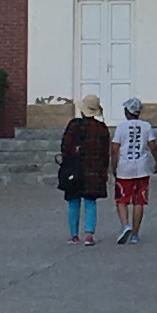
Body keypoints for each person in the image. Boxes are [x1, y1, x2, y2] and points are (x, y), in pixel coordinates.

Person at [56, 97, 111, 243]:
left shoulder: (74, 125)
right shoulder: (102, 128)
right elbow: (106, 153)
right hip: (94, 170)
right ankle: (89, 235)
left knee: (73, 202)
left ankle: (74, 235)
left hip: (75, 169)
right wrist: (104, 172)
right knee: (90, 202)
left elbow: (65, 146)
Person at [112, 97, 157, 241]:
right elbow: (152, 146)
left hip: (124, 168)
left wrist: (113, 166)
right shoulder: (146, 126)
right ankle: (135, 234)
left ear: (127, 112)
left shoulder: (121, 127)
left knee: (122, 199)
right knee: (139, 201)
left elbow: (115, 149)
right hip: (141, 167)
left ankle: (125, 225)